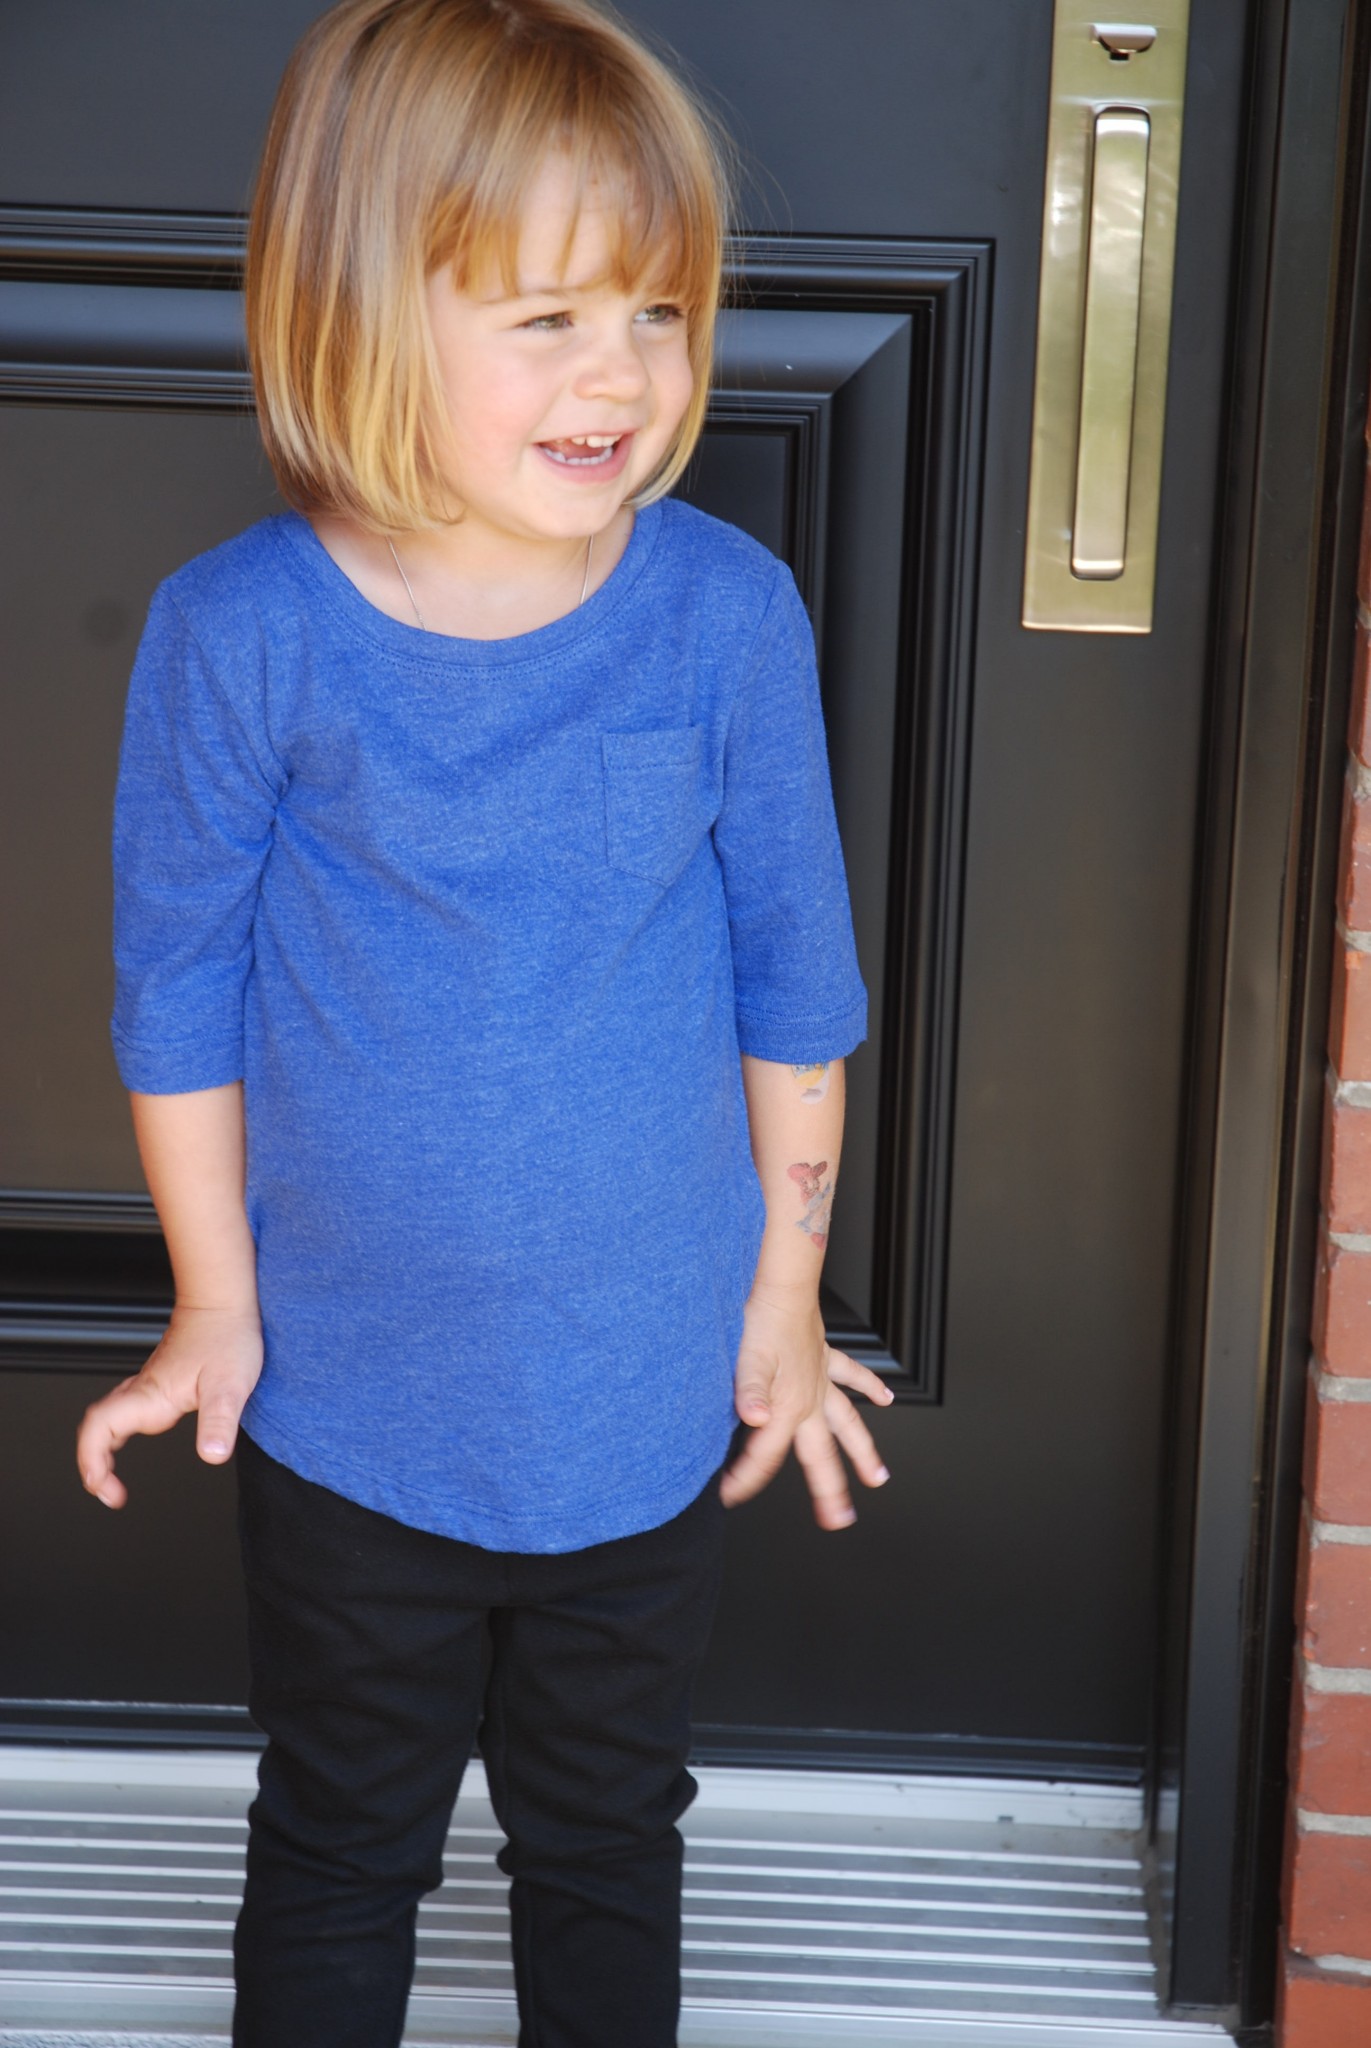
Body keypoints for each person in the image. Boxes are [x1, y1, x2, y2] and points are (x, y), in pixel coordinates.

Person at [75, 2, 892, 2042]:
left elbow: (795, 984)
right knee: (341, 1840)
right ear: (363, 314)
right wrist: (213, 1303)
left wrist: (786, 1292)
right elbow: (178, 998)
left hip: (643, 1408)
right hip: (350, 1415)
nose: (622, 372)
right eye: (547, 319)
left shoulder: (723, 617)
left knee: (606, 1835)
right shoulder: (240, 637)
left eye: (659, 312)